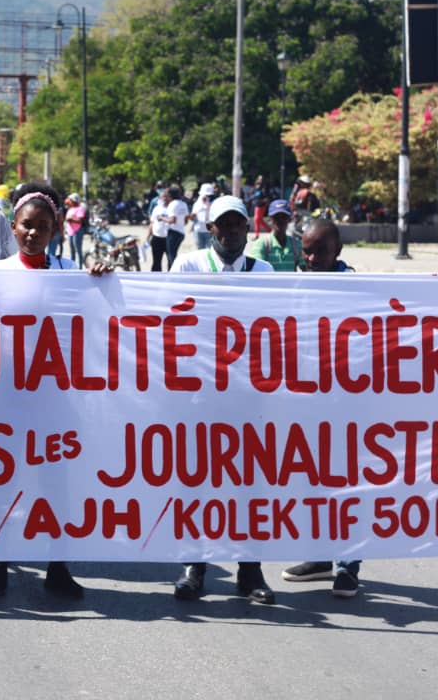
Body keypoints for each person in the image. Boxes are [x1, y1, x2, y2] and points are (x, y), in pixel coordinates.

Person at [0, 183, 112, 599]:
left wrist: (102, 282)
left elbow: (96, 321)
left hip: (56, 401)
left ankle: (58, 565)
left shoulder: (71, 274)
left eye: (42, 226)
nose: (33, 233)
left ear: (56, 229)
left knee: (57, 483)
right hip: (6, 398)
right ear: (13, 230)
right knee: (2, 482)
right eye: (26, 226)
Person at [169, 195, 274, 603]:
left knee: (249, 483)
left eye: (237, 225)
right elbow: (171, 320)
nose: (230, 232)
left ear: (247, 230)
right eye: (223, 225)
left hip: (248, 394)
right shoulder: (189, 265)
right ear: (209, 229)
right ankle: (194, 565)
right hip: (199, 393)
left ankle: (250, 571)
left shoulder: (263, 271)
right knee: (197, 481)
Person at [280, 217, 362, 597]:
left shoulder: (357, 288)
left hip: (345, 404)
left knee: (347, 487)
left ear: (338, 252)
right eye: (307, 250)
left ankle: (348, 566)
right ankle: (318, 557)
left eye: (320, 251)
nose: (311, 257)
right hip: (305, 401)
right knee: (311, 483)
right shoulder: (291, 285)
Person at [246, 199, 302, 272]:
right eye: (276, 217)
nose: (280, 220)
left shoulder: (296, 244)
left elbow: (306, 270)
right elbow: (255, 271)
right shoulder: (262, 244)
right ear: (270, 220)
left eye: (284, 217)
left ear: (289, 219)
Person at [164, 186, 188, 269]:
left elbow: (172, 220)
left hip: (173, 232)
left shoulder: (172, 204)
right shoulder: (184, 204)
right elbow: (185, 221)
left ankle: (173, 273)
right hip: (181, 232)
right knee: (173, 254)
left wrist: (161, 218)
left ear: (170, 195)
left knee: (171, 256)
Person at [147, 189, 170, 271]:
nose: (163, 199)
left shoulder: (172, 208)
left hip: (168, 238)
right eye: (162, 197)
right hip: (157, 237)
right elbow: (152, 223)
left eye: (165, 197)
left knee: (170, 260)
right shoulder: (157, 208)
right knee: (156, 261)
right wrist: (148, 236)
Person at [190, 182, 215, 250]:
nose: (206, 196)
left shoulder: (214, 203)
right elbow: (192, 218)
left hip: (209, 231)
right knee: (200, 250)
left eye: (208, 195)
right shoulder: (197, 204)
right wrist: (192, 216)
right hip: (198, 230)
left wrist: (207, 204)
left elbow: (214, 215)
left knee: (210, 250)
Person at [63, 192, 86, 263]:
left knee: (78, 250)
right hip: (70, 232)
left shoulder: (80, 209)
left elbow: (80, 220)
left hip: (77, 231)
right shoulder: (70, 209)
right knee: (72, 251)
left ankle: (80, 267)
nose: (70, 201)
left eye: (71, 200)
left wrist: (71, 219)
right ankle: (72, 267)